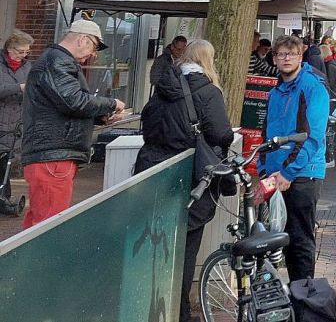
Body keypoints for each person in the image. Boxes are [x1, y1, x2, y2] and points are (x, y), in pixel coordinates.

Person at [133, 40, 234, 322]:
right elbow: (222, 134)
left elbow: (148, 125)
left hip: (152, 170)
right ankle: (179, 312)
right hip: (190, 176)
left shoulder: (162, 87)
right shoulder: (208, 91)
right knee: (186, 247)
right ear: (208, 60)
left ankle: (148, 304)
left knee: (155, 241)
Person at [21, 20, 124, 228]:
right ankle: (44, 261)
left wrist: (101, 116)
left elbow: (65, 104)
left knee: (40, 222)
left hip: (52, 153)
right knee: (49, 225)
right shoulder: (58, 62)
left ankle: (32, 260)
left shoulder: (56, 61)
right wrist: (111, 103)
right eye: (94, 47)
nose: (93, 54)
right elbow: (74, 101)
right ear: (82, 39)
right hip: (53, 155)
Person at [258, 35, 329, 283]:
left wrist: (288, 172)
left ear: (301, 57)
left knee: (300, 242)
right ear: (274, 59)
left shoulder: (312, 87)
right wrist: (264, 170)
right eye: (281, 54)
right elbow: (268, 133)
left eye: (292, 54)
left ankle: (304, 298)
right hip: (276, 176)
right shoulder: (275, 92)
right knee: (282, 239)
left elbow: (313, 136)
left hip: (302, 175)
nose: (286, 58)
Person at [0, 30, 33, 185]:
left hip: (16, 122)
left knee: (6, 164)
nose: (24, 55)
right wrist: (19, 87)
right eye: (21, 51)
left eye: (27, 52)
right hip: (2, 118)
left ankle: (4, 199)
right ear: (9, 49)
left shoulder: (28, 67)